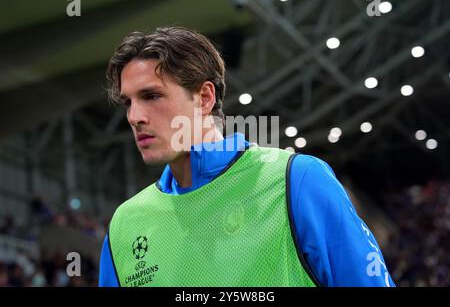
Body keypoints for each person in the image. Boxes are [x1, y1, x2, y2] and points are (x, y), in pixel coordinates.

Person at [98, 26, 395, 287]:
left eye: (151, 96)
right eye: (128, 102)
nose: (135, 116)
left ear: (204, 98)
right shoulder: (125, 225)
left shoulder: (297, 181)